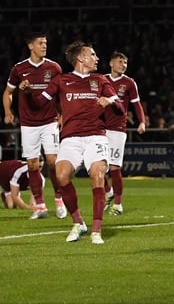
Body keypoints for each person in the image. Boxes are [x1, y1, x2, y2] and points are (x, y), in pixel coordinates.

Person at [23, 40, 124, 244]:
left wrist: (110, 101)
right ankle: (79, 223)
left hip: (96, 136)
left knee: (96, 175)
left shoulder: (100, 80)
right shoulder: (61, 81)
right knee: (61, 176)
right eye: (93, 54)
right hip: (70, 138)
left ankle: (96, 230)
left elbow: (121, 107)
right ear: (81, 58)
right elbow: (38, 103)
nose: (97, 58)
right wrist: (27, 93)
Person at [2, 31, 66, 219]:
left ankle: (59, 200)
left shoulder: (54, 68)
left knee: (53, 161)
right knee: (32, 165)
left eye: (45, 43)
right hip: (29, 123)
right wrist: (8, 111)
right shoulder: (19, 69)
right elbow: (8, 92)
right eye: (40, 43)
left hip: (49, 121)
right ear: (31, 46)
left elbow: (60, 94)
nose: (44, 46)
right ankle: (40, 206)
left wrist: (63, 114)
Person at [102, 51, 147, 215]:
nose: (123, 65)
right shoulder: (101, 80)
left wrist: (142, 121)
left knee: (114, 168)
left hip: (117, 130)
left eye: (125, 62)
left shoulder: (129, 83)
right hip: (99, 129)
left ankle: (118, 205)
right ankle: (108, 192)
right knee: (96, 167)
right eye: (120, 62)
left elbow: (137, 104)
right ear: (111, 63)